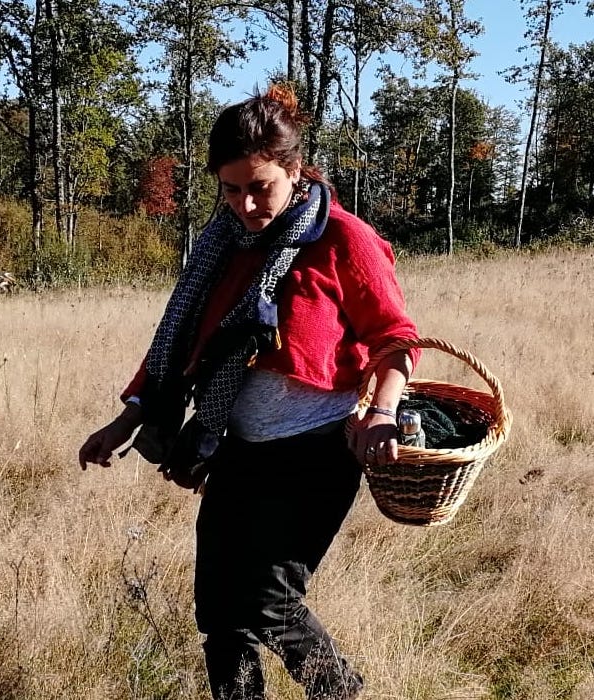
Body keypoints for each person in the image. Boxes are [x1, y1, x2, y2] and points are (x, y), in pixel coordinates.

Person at [79, 83, 421, 700]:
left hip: (315, 451)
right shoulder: (224, 246)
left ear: (293, 170)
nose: (245, 204)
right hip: (238, 449)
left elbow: (396, 337)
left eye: (259, 186)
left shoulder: (343, 239)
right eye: (230, 190)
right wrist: (126, 419)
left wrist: (385, 412)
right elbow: (181, 345)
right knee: (218, 611)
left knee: (270, 602)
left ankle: (341, 694)